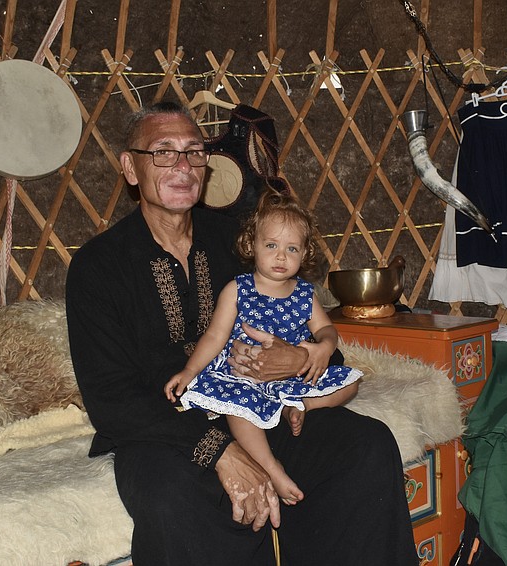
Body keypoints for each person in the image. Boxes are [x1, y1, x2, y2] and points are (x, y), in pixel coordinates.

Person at [65, 101, 417, 565]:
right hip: (165, 431)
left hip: (261, 403)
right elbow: (111, 400)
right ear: (131, 167)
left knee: (365, 446)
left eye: (194, 152)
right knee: (173, 501)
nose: (183, 165)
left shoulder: (239, 241)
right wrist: (221, 452)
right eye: (163, 152)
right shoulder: (98, 266)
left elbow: (313, 332)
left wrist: (297, 359)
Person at [164, 191, 362, 505]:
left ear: (304, 253)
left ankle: (300, 407)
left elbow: (325, 328)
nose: (281, 257)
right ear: (251, 245)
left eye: (291, 248)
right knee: (238, 409)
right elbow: (215, 336)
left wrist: (324, 346)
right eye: (271, 246)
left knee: (350, 382)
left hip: (290, 377)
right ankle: (271, 467)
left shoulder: (304, 294)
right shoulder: (237, 289)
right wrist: (190, 371)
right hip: (244, 376)